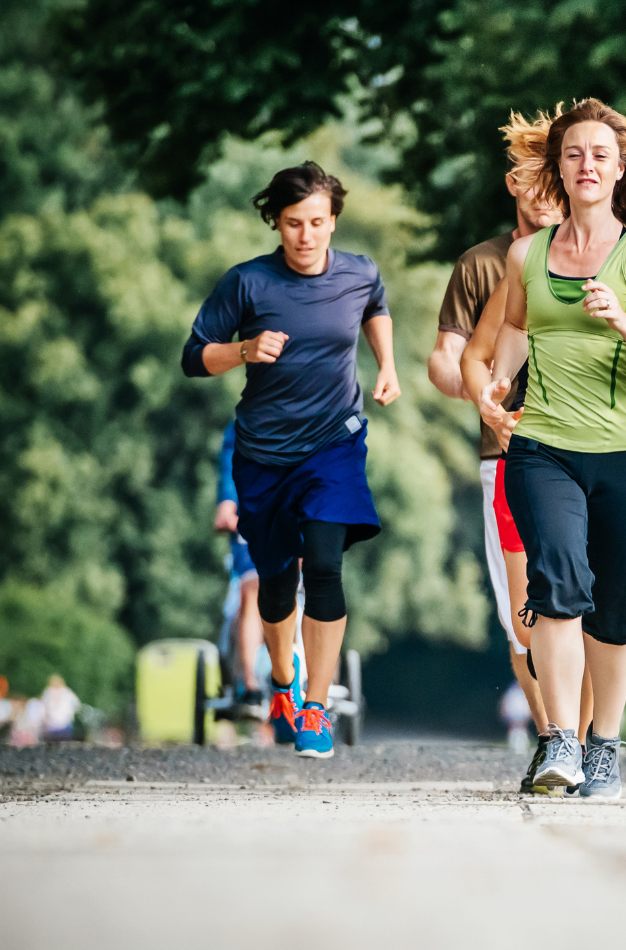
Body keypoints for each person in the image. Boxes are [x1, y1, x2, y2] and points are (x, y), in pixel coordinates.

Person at [468, 98, 626, 799]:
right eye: (573, 154)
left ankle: (603, 746)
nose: (586, 165)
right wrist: (493, 389)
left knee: (617, 600)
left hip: (625, 455)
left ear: (619, 168)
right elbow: (511, 330)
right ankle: (560, 738)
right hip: (543, 448)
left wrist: (620, 318)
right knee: (557, 581)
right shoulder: (527, 252)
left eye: (599, 154)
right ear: (557, 168)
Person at [182, 161, 401, 759]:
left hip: (334, 443)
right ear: (276, 223)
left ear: (333, 222)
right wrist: (244, 349)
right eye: (292, 223)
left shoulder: (358, 273)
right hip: (263, 454)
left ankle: (315, 707)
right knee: (275, 584)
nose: (306, 236)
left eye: (317, 222)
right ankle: (284, 682)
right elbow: (194, 356)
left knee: (324, 566)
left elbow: (375, 306)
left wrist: (386, 364)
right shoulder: (248, 283)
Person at [429, 110, 571, 795]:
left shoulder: (602, 255)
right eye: (530, 176)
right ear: (513, 182)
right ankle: (551, 738)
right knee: (522, 614)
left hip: (587, 449)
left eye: (555, 176)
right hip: (505, 455)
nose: (543, 190)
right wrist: (474, 386)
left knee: (587, 599)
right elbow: (449, 358)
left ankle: (588, 738)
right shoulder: (482, 265)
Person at [216, 420, 267, 720]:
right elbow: (230, 466)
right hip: (252, 518)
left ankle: (313, 682)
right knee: (252, 589)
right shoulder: (244, 423)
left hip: (293, 515)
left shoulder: (310, 409)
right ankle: (250, 687)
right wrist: (227, 503)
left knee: (314, 589)